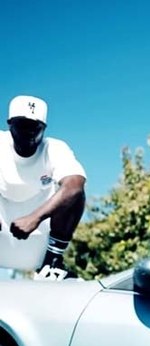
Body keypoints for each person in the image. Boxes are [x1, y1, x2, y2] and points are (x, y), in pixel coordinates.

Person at [0, 95, 86, 280]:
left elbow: (74, 185)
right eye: (22, 125)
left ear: (44, 128)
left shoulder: (54, 148)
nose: (29, 133)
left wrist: (34, 218)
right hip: (3, 237)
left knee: (76, 192)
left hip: (40, 241)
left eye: (35, 127)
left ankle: (52, 265)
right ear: (10, 125)